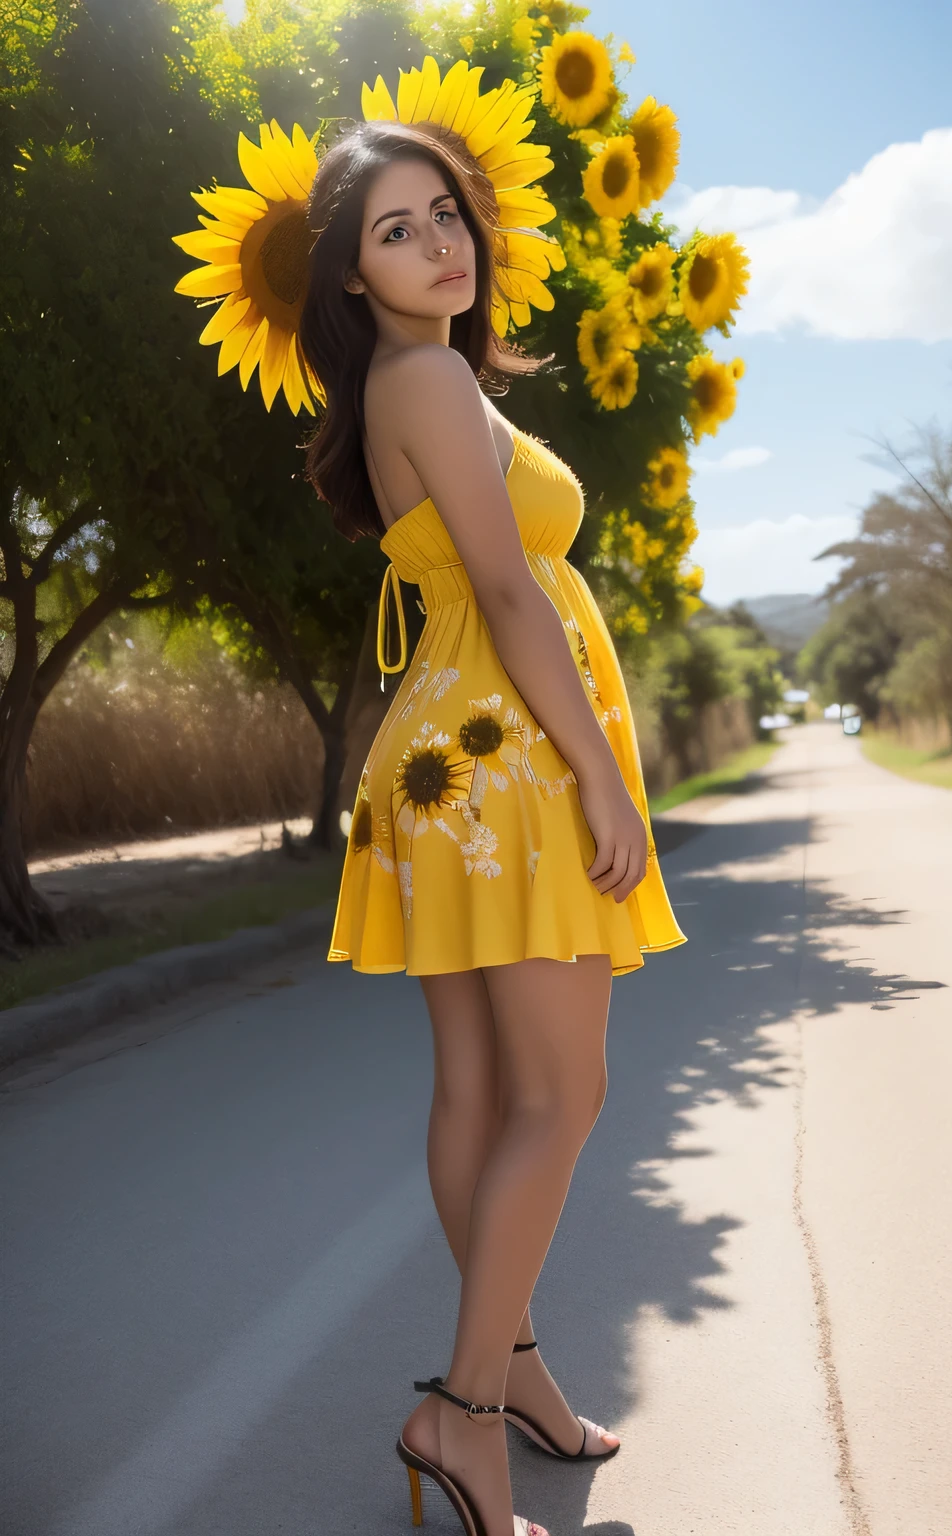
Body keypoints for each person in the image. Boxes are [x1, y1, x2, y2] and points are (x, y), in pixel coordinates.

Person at [299, 116, 686, 1536]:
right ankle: (459, 1415)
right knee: (561, 1098)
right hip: (508, 757)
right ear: (350, 275)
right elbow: (513, 595)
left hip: (442, 759)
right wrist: (597, 773)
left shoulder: (411, 385)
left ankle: (511, 1374)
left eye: (445, 213)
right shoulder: (428, 385)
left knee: (478, 1090)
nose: (436, 244)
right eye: (394, 232)